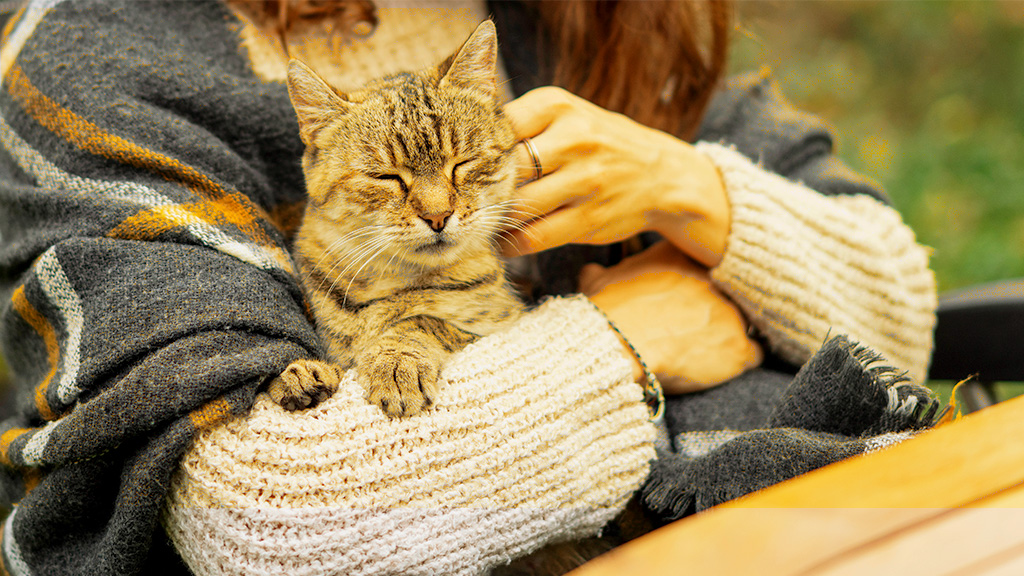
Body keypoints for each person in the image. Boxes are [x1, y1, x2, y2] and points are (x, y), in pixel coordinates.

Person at [0, 1, 938, 574]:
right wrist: (620, 344)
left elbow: (900, 321)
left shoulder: (591, 16)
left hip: (843, 516)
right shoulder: (92, 59)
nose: (444, 211)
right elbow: (270, 525)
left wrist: (694, 188)